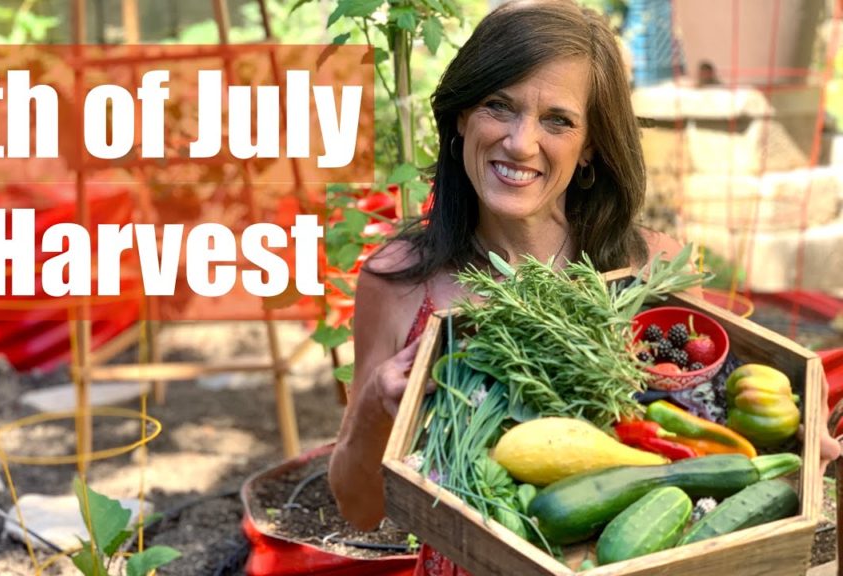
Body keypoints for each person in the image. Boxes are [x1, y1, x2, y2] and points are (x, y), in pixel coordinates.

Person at [328, 1, 840, 573]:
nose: (521, 143)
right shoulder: (398, 280)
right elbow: (359, 508)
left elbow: (714, 452)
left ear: (591, 144)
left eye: (558, 120)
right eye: (499, 105)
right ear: (462, 115)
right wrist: (374, 407)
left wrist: (796, 442)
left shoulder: (654, 271)